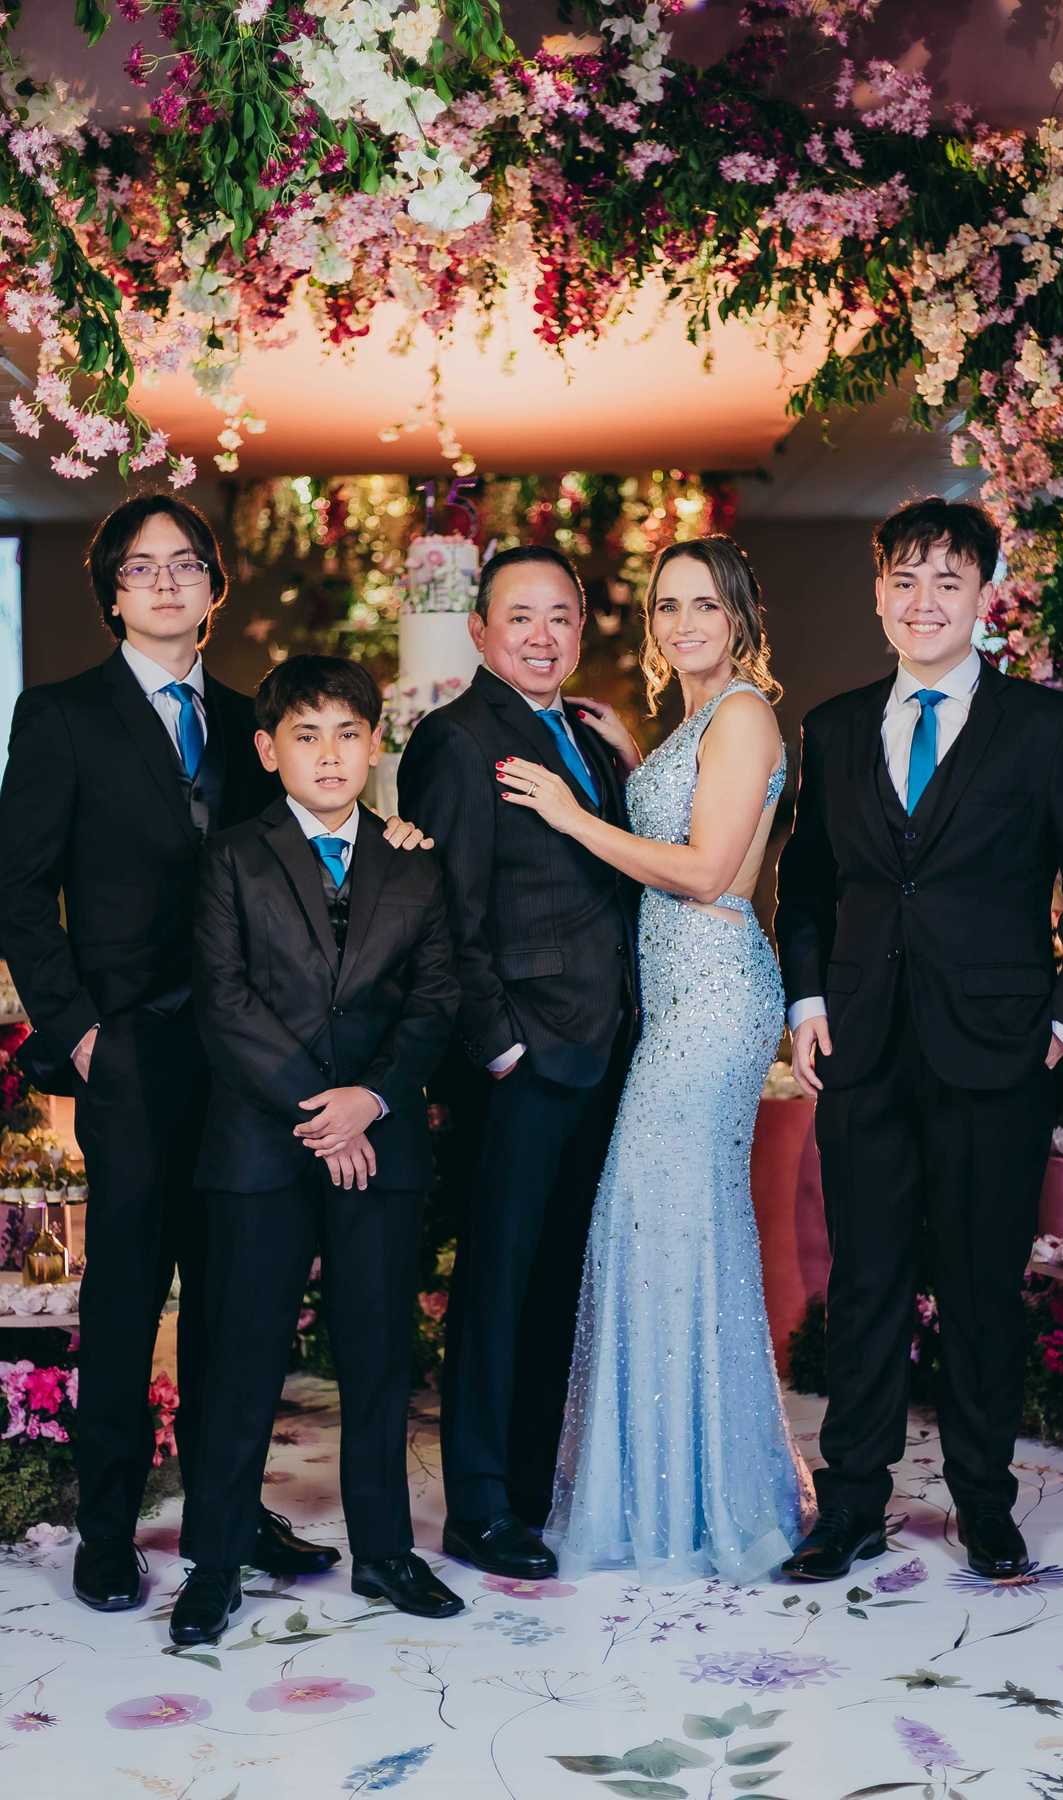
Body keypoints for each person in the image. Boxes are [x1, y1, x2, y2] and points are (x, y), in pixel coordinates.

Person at [0, 496, 371, 1612]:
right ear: (112, 592)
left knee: (236, 1299)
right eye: (141, 566)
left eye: (185, 564)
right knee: (124, 1300)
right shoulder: (60, 715)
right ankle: (106, 1531)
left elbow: (312, 844)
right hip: (129, 1055)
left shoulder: (260, 720)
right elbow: (19, 891)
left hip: (249, 1062)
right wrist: (78, 1033)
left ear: (214, 585)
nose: (165, 582)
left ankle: (227, 1516)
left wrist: (389, 836)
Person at [775, 496, 1063, 1583]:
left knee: (980, 1291)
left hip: (997, 1054)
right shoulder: (835, 728)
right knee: (866, 1284)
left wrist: (1061, 1024)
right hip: (864, 1050)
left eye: (947, 581)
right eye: (904, 581)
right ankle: (852, 1504)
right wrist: (808, 1003)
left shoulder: (1047, 727)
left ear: (982, 597)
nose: (923, 601)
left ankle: (985, 1503)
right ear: (878, 595)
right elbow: (807, 891)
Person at [499, 536, 811, 1582]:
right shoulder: (691, 723)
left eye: (705, 605)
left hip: (714, 996)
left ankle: (696, 1501)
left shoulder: (746, 714)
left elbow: (709, 871)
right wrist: (630, 763)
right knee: (661, 1225)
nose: (683, 623)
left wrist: (571, 815)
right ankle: (670, 1486)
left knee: (664, 1220)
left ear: (741, 617)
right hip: (673, 998)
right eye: (667, 606)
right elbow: (683, 823)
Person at [169, 657, 462, 1645]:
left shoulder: (414, 862)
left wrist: (369, 1101)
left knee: (378, 1354)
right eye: (306, 735)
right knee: (242, 1357)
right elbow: (224, 1003)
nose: (329, 754)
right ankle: (216, 1562)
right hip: (262, 1146)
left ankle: (385, 1550)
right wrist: (322, 1112)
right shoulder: (231, 859)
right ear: (267, 750)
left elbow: (435, 1002)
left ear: (375, 745)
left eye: (347, 734)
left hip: (378, 1143)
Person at [395, 545, 639, 1581]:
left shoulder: (585, 736)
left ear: (580, 629)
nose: (542, 636)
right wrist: (497, 1045)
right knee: (498, 1286)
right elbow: (445, 913)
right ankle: (482, 1507)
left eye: (560, 617)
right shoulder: (456, 740)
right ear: (481, 632)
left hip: (602, 1048)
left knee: (555, 1286)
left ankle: (532, 1494)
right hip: (522, 1059)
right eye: (520, 617)